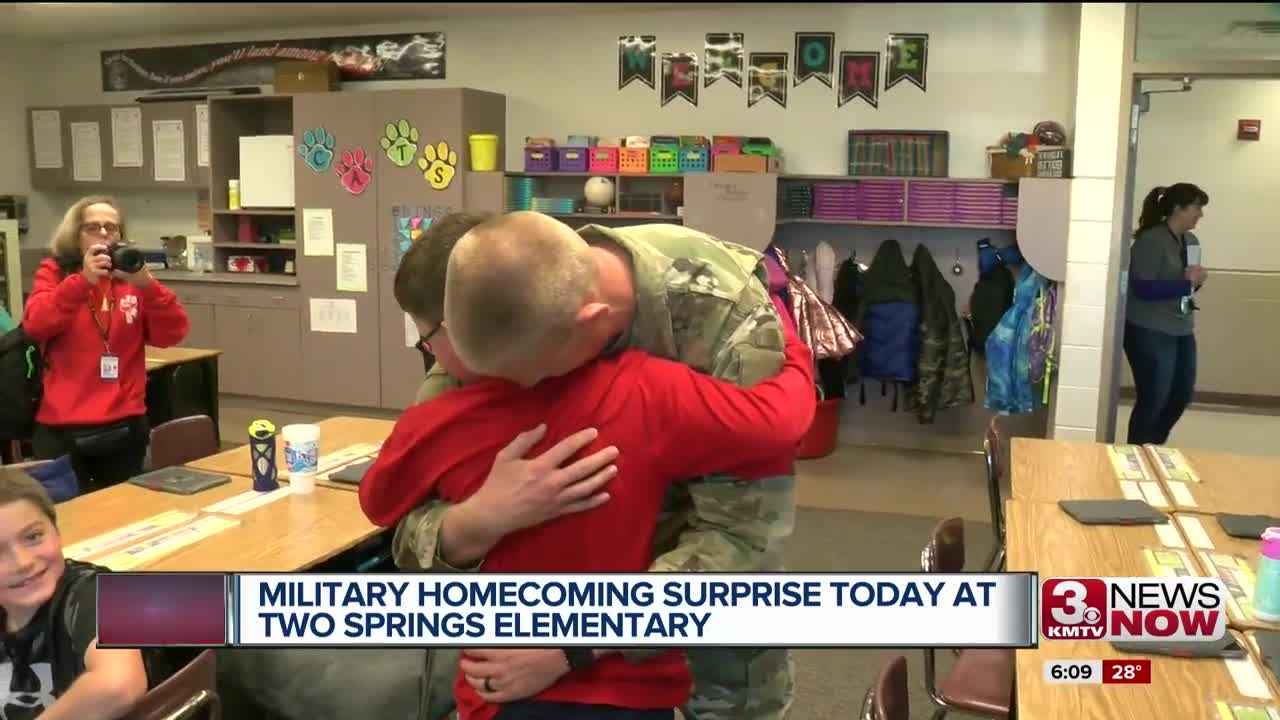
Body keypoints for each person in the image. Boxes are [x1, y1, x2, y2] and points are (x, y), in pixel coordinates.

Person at [357, 216, 815, 718]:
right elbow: (403, 529)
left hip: (692, 627)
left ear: (588, 322)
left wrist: (572, 644)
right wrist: (481, 517)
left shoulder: (719, 322)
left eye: (429, 340)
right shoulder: (500, 315)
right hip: (529, 675)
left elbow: (741, 537)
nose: (508, 394)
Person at [22, 196, 189, 491]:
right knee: (71, 518)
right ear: (75, 235)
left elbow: (172, 334)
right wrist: (83, 280)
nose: (103, 234)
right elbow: (36, 324)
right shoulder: (56, 272)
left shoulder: (130, 278)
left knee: (120, 513)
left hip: (125, 420)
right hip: (64, 424)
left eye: (111, 228)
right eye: (92, 227)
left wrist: (148, 286)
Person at [0, 467, 151, 718]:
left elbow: (117, 684)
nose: (23, 562)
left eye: (34, 536)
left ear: (57, 533)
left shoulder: (92, 591)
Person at [1124, 183, 1209, 445]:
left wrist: (1196, 281)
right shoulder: (1150, 241)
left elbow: (1191, 282)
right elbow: (1141, 288)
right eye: (1196, 208)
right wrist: (1185, 283)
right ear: (1177, 209)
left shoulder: (1191, 241)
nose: (1200, 215)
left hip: (1181, 328)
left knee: (1180, 395)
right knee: (1154, 398)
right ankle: (1136, 454)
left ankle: (1153, 446)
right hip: (1149, 329)